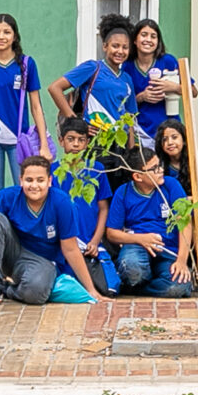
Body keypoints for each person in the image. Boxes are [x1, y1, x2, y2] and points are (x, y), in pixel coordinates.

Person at [0, 154, 99, 305]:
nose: (34, 185)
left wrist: (91, 290)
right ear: (20, 181)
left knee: (36, 293)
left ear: (49, 181)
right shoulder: (9, 196)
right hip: (12, 253)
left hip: (42, 261)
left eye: (40, 180)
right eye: (29, 180)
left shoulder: (61, 202)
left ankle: (7, 289)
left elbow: (71, 249)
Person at [105, 149, 198, 297]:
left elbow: (185, 222)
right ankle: (140, 280)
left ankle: (139, 289)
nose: (161, 170)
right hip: (137, 248)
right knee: (131, 267)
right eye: (154, 168)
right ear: (137, 176)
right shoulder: (123, 192)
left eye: (159, 165)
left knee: (178, 286)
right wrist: (141, 239)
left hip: (168, 250)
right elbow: (111, 233)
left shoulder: (171, 185)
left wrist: (181, 260)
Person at [0, 14, 46, 199]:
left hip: (19, 138)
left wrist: (43, 144)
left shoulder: (26, 65)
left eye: (6, 32)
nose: (1, 36)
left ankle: (19, 228)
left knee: (23, 188)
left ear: (14, 36)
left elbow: (36, 106)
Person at [49, 17, 144, 152]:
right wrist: (78, 124)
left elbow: (129, 118)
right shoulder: (92, 67)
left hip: (119, 146)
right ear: (105, 46)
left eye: (125, 47)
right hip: (95, 143)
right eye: (115, 46)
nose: (120, 51)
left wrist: (131, 151)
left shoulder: (127, 79)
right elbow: (54, 88)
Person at [49, 115, 116, 290]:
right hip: (63, 246)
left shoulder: (96, 169)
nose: (76, 145)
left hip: (89, 243)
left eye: (81, 140)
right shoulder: (52, 172)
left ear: (87, 143)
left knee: (109, 286)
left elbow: (103, 209)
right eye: (71, 139)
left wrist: (95, 241)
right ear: (61, 141)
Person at [129, 18, 181, 142]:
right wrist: (142, 97)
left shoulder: (168, 61)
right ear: (135, 40)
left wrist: (173, 87)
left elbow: (193, 92)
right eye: (144, 35)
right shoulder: (127, 66)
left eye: (153, 36)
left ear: (158, 42)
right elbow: (123, 104)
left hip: (170, 128)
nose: (148, 40)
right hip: (140, 130)